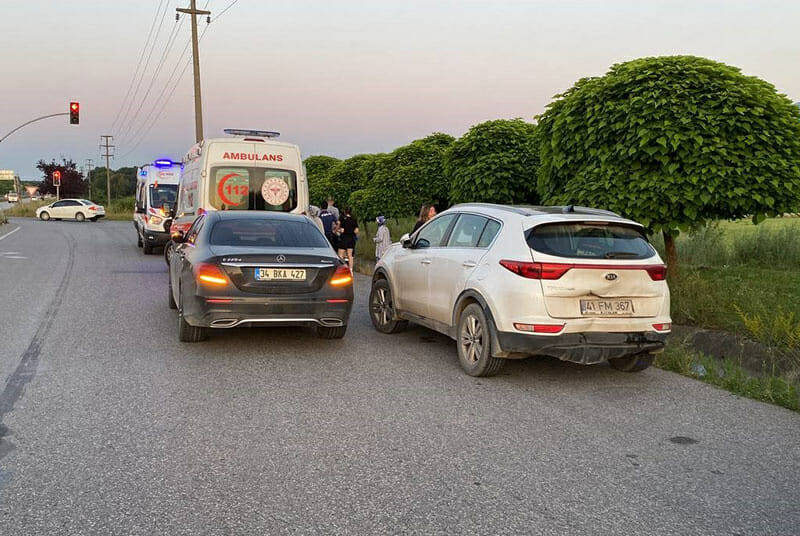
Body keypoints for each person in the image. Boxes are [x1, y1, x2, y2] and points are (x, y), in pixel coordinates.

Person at [337, 207, 359, 273]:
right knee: (350, 255)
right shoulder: (354, 219)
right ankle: (351, 270)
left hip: (344, 238)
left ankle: (342, 269)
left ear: (345, 212)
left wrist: (338, 230)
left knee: (341, 255)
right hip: (351, 239)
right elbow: (356, 231)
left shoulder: (343, 219)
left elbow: (342, 230)